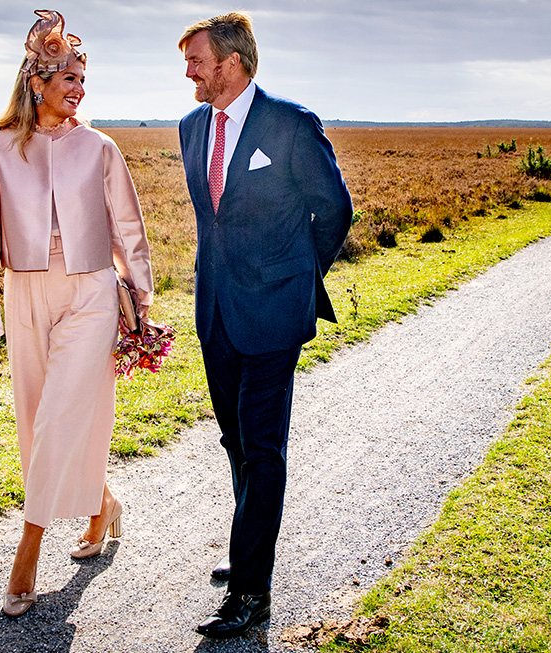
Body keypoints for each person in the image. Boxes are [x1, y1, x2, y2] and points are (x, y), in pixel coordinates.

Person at [0, 9, 153, 618]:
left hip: (92, 292)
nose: (76, 89)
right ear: (36, 83)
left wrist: (141, 299)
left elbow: (128, 224)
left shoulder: (101, 147)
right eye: (66, 78)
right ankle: (102, 504)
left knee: (68, 409)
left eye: (82, 81)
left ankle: (29, 544)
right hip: (24, 292)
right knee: (39, 416)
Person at [177, 12, 352, 639]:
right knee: (234, 441)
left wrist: (297, 275)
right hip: (216, 312)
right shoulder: (191, 126)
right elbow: (213, 221)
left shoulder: (290, 124)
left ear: (230, 62)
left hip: (275, 312)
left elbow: (333, 211)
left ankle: (252, 591)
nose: (189, 72)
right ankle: (248, 543)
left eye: (196, 59)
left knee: (263, 446)